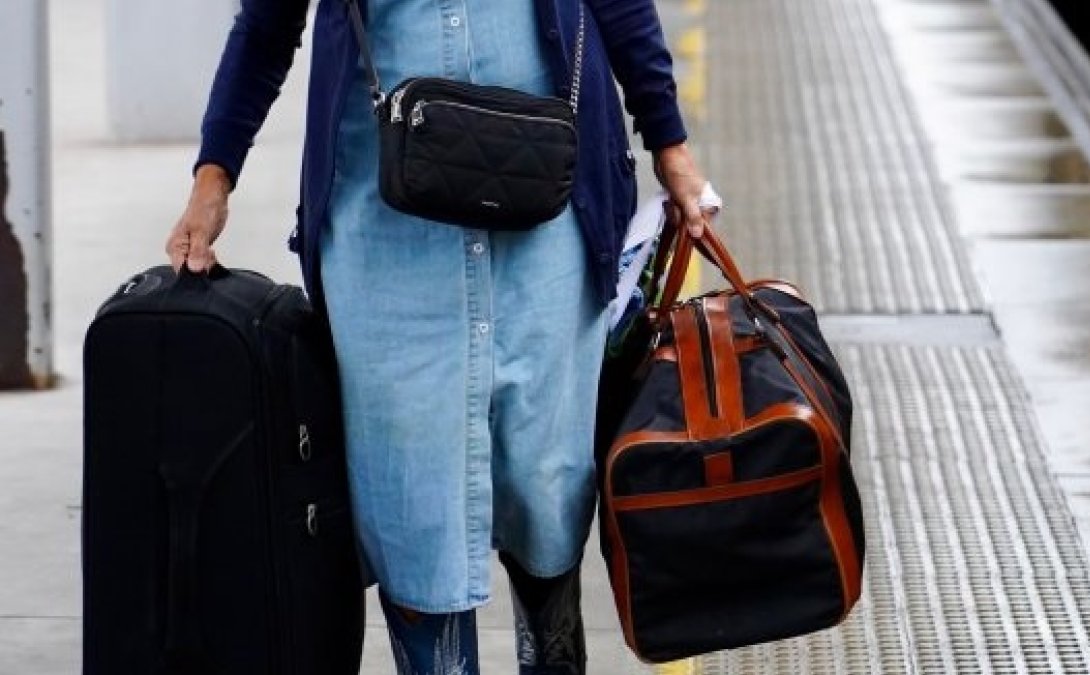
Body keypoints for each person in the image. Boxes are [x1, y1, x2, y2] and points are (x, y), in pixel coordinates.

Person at [166, 0, 709, 672]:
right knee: (412, 502)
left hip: (549, 219)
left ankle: (553, 646)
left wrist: (670, 143)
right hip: (385, 234)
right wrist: (213, 175)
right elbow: (266, 24)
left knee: (547, 485)